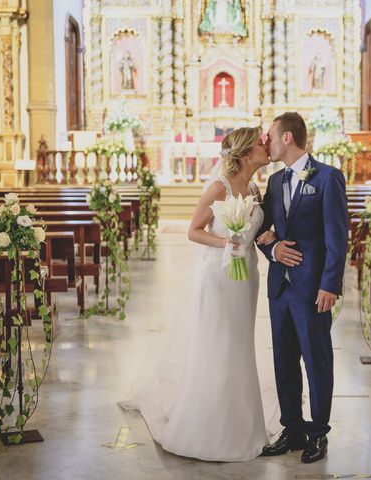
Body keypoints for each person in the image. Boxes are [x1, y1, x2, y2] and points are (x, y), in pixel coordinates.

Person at [119, 127, 278, 461]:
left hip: (246, 276)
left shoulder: (253, 186)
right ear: (246, 152)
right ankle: (208, 425)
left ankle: (242, 422)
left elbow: (258, 228)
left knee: (239, 344)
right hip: (219, 277)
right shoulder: (219, 187)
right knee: (217, 344)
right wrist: (227, 242)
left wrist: (268, 236)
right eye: (260, 143)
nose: (267, 145)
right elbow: (194, 231)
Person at [257, 111, 349, 463]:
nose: (265, 141)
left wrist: (330, 285)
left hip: (312, 288)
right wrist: (273, 248)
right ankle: (292, 428)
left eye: (269, 135)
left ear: (287, 138)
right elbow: (263, 230)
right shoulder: (275, 181)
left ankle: (318, 432)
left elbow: (337, 238)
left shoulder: (327, 178)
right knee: (283, 360)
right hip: (280, 286)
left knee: (316, 359)